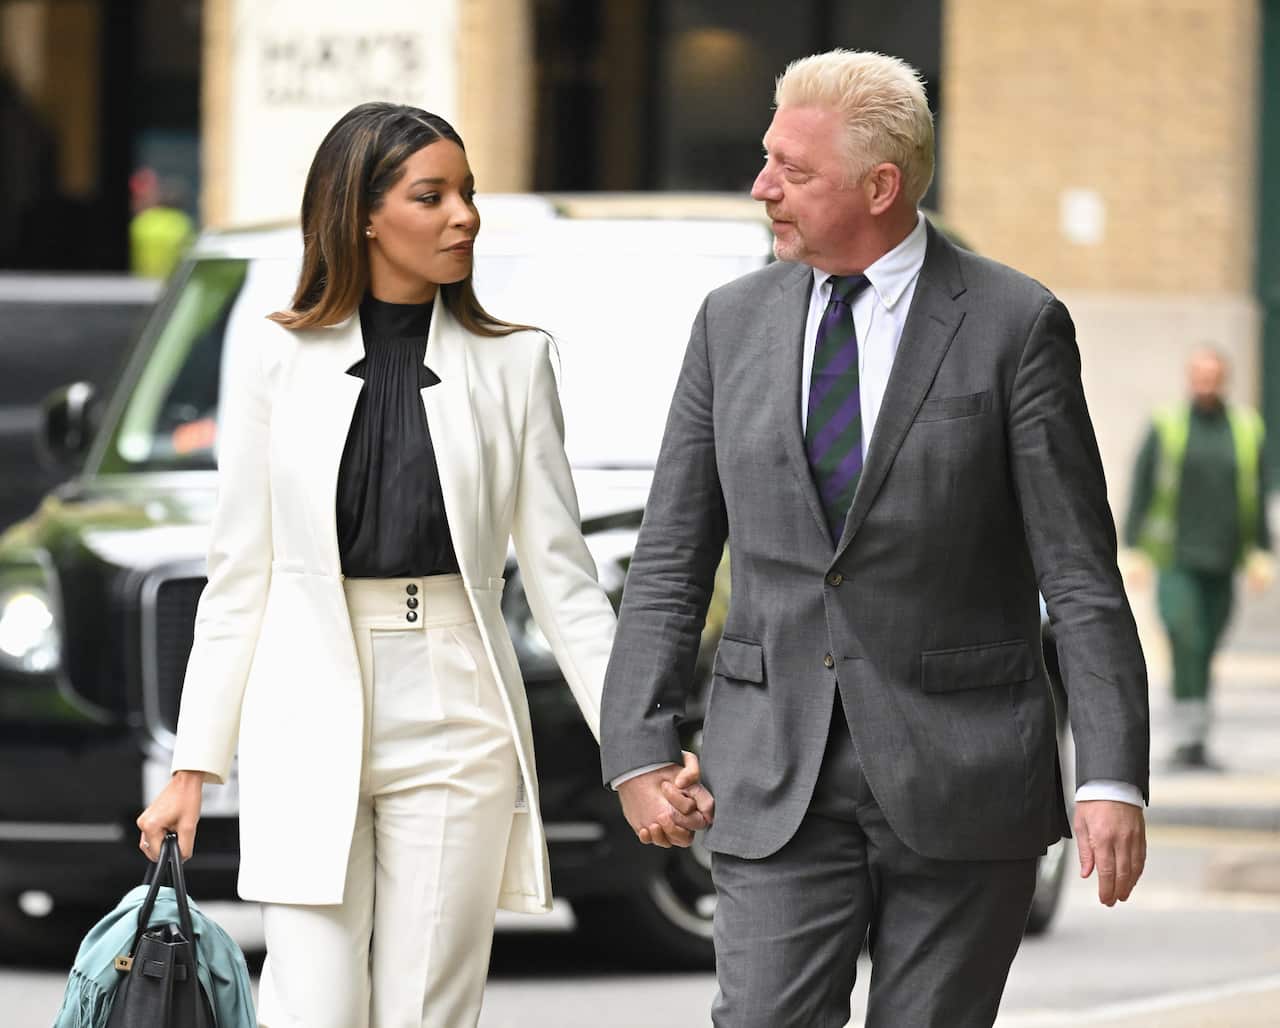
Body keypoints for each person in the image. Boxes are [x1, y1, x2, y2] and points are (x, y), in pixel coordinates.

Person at [600, 50, 1150, 1027]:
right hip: (772, 769)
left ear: (878, 185)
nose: (761, 186)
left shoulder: (1012, 323)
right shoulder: (729, 324)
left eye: (791, 170)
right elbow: (670, 552)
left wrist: (1108, 775)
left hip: (964, 770)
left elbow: (1079, 575)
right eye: (767, 160)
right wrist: (638, 745)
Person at [134, 102, 709, 1028]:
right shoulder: (274, 357)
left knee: (427, 1012)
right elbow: (238, 576)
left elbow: (565, 583)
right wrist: (194, 764)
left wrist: (636, 749)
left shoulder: (515, 364)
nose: (464, 217)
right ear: (362, 213)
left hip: (456, 699)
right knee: (310, 1007)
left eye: (468, 195)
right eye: (432, 195)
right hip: (304, 697)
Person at [1123, 346, 1273, 770]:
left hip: (1224, 560)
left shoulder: (1245, 428)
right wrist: (1133, 548)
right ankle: (1186, 738)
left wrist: (1261, 552)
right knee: (1185, 637)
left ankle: (1197, 740)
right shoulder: (1167, 425)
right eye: (1199, 375)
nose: (1206, 383)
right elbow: (1142, 485)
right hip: (1176, 559)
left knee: (1207, 646)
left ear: (1224, 379)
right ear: (1189, 378)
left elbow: (1258, 492)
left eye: (1214, 376)